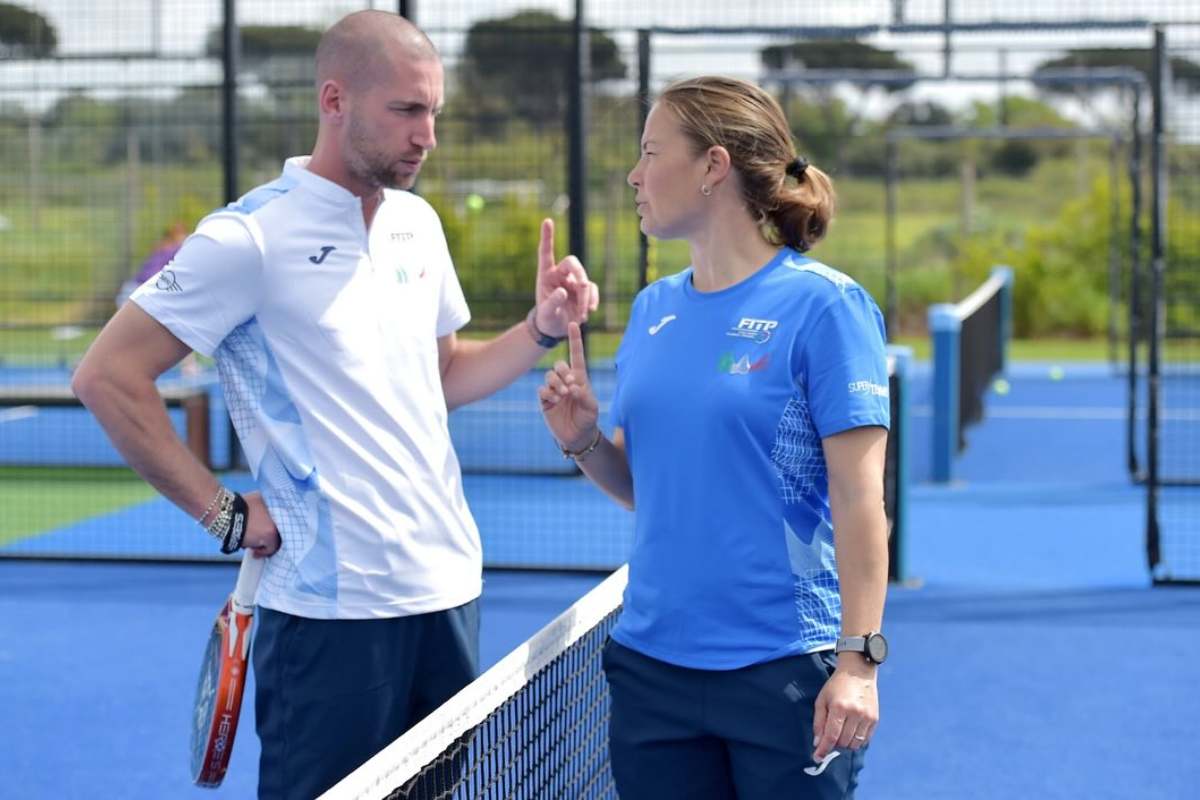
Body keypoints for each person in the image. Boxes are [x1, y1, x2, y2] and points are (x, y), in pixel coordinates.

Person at [71, 10, 597, 799]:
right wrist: (223, 514)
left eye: (435, 113)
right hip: (330, 615)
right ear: (334, 100)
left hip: (449, 590)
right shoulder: (246, 238)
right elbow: (106, 377)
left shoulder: (418, 225)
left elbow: (443, 377)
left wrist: (539, 330)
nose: (428, 136)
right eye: (407, 111)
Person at [538, 75, 890, 799]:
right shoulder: (651, 310)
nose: (634, 176)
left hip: (785, 670)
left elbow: (861, 501)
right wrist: (584, 442)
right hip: (650, 671)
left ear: (712, 166)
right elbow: (649, 488)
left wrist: (857, 662)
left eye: (650, 152)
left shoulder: (826, 307)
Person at [114, 221, 189, 308]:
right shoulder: (171, 249)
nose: (182, 237)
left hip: (140, 289)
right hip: (140, 288)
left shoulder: (164, 248)